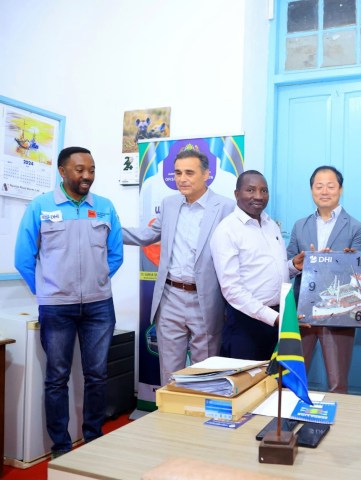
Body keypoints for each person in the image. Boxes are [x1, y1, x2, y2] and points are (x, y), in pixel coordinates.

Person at [14, 146, 123, 457]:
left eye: (91, 169)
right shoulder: (41, 206)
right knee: (56, 378)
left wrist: (97, 281)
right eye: (80, 169)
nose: (87, 175)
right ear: (62, 171)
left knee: (97, 375)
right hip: (56, 307)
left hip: (99, 306)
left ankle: (94, 439)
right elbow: (23, 258)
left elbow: (115, 254)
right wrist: (47, 290)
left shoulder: (104, 207)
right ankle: (61, 447)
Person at [122, 149, 235, 386]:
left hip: (206, 299)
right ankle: (170, 410)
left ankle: (199, 409)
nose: (182, 179)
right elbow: (148, 234)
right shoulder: (169, 204)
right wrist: (111, 230)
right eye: (178, 173)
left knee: (204, 373)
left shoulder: (226, 207)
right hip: (170, 297)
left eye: (189, 173)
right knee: (170, 373)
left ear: (206, 174)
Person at [287, 165, 361, 393]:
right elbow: (288, 265)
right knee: (293, 376)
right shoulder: (299, 226)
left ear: (340, 189)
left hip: (339, 311)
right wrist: (300, 262)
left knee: (337, 381)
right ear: (311, 190)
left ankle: (338, 415)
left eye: (330, 186)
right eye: (318, 186)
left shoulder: (355, 227)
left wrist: (341, 262)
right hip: (303, 311)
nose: (324, 191)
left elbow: (359, 271)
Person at [210, 170, 304, 361]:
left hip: (277, 319)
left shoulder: (271, 225)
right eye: (251, 190)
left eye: (264, 190)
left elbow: (269, 271)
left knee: (275, 377)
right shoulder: (226, 230)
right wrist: (272, 317)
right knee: (247, 378)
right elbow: (231, 289)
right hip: (246, 323)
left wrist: (293, 266)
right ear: (237, 194)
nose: (259, 196)